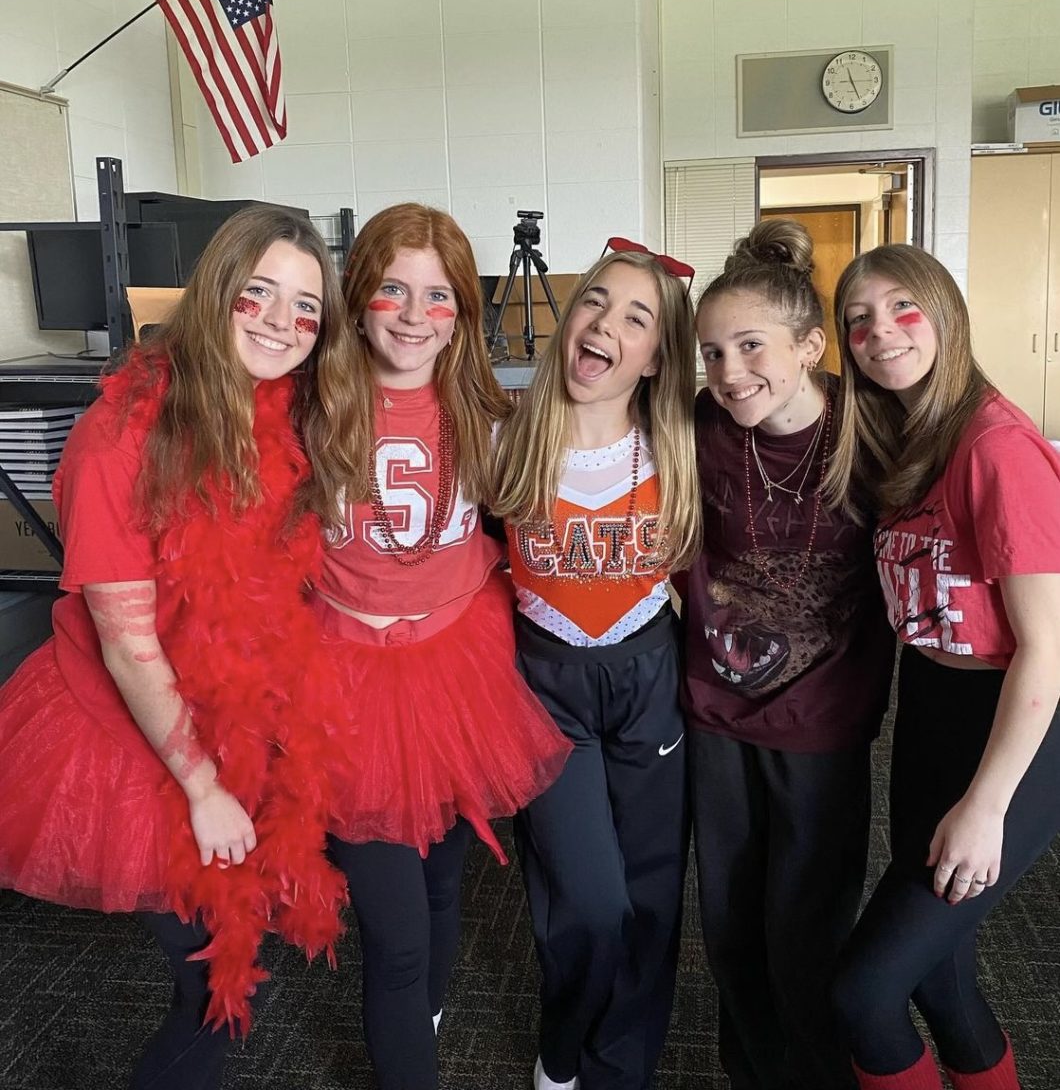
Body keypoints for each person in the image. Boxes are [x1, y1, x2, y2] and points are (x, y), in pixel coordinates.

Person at [0, 206, 358, 1088]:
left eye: (306, 308)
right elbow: (128, 645)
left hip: (224, 716)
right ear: (215, 294)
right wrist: (202, 786)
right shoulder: (120, 436)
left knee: (229, 981)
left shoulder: (275, 414)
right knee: (218, 982)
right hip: (126, 739)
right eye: (260, 294)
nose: (283, 322)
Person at [314, 203, 571, 1090]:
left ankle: (420, 1017)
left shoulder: (486, 415)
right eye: (393, 289)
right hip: (346, 684)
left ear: (462, 314)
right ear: (358, 302)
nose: (415, 316)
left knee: (442, 883)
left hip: (460, 668)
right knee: (395, 934)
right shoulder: (305, 409)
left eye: (438, 297)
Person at [825, 244, 1060, 1090]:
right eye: (857, 320)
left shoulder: (997, 447)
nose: (879, 333)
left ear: (946, 315)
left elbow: (1047, 647)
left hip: (1012, 726)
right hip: (929, 705)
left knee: (863, 991)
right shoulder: (907, 435)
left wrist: (988, 805)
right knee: (937, 971)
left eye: (901, 309)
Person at [684, 219, 893, 1090]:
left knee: (804, 931)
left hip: (824, 719)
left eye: (751, 346)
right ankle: (753, 1073)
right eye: (713, 353)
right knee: (730, 924)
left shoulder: (869, 429)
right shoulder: (700, 422)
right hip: (715, 712)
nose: (731, 373)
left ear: (810, 346)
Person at [493, 237, 701, 1090]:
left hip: (649, 675)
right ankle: (563, 1041)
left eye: (636, 317)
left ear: (655, 357)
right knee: (588, 897)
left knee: (650, 898)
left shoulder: (680, 450)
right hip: (543, 685)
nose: (606, 323)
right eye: (595, 301)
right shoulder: (504, 438)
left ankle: (622, 1068)